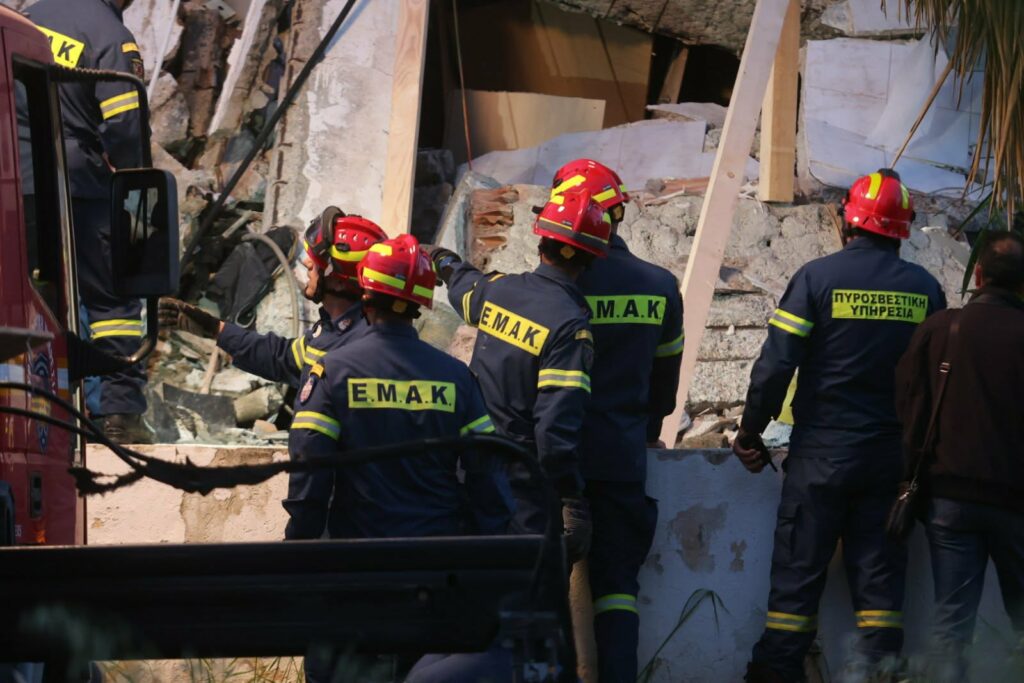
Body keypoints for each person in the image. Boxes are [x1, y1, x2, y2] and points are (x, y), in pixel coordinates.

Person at [732, 169, 946, 682]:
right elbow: (938, 383)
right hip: (890, 464)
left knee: (794, 588)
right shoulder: (925, 290)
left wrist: (751, 430)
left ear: (848, 220)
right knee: (880, 596)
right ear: (903, 228)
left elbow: (776, 364)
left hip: (819, 461)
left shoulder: (816, 278)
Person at [286, 234, 514, 682]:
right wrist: (486, 553)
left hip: (356, 571)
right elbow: (487, 475)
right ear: (419, 305)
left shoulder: (333, 371)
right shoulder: (456, 377)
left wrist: (298, 552)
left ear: (366, 295)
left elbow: (309, 474)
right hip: (435, 574)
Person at [547, 159, 683, 682]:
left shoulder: (553, 288)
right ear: (617, 213)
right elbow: (664, 388)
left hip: (556, 460)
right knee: (618, 590)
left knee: (546, 587)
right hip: (623, 458)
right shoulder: (660, 285)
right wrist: (644, 433)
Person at [429, 188, 611, 563]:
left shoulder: (498, 290)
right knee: (528, 586)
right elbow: (554, 430)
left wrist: (444, 260)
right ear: (590, 259)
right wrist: (571, 497)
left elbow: (463, 286)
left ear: (542, 241)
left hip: (473, 467)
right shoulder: (569, 326)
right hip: (525, 488)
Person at [895, 231, 1024, 682]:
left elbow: (911, 411)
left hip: (949, 501)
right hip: (1017, 504)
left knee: (951, 628)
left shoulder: (941, 329)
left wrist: (909, 477)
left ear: (979, 275)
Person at [27, 0, 150, 443]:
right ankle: (119, 414)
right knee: (113, 301)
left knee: (32, 299)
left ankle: (38, 402)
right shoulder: (109, 36)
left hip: (13, 185)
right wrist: (134, 179)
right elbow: (126, 124)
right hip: (75, 184)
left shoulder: (30, 17)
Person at [160, 208, 387, 392]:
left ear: (338, 282)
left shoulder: (359, 346)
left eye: (318, 262)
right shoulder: (335, 332)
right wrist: (214, 328)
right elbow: (282, 358)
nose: (308, 264)